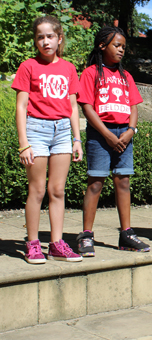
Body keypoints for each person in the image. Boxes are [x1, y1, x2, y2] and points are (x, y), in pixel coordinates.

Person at [12, 15, 83, 264]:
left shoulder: (68, 68)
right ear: (36, 41)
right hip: (36, 131)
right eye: (40, 37)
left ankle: (56, 244)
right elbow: (21, 106)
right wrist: (24, 143)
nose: (45, 41)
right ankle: (32, 244)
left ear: (59, 38)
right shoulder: (28, 67)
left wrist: (77, 139)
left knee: (57, 190)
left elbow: (73, 106)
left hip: (63, 131)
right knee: (37, 190)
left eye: (50, 36)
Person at [77, 26, 150, 256]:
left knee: (123, 181)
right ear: (102, 46)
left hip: (124, 134)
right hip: (101, 134)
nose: (121, 50)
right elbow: (87, 107)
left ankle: (126, 233)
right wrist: (107, 135)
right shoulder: (90, 73)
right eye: (117, 45)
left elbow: (133, 106)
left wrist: (131, 131)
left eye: (123, 47)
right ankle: (86, 235)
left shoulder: (125, 76)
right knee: (96, 183)